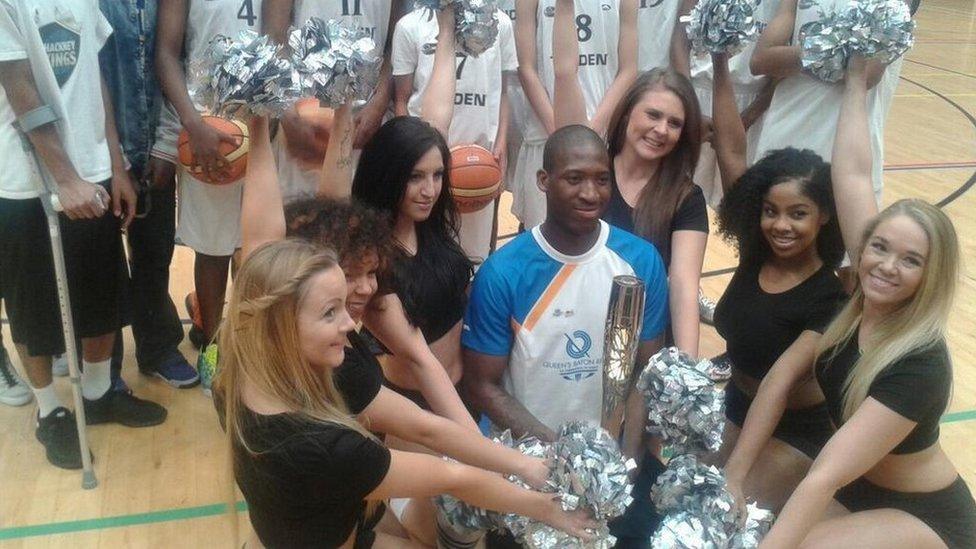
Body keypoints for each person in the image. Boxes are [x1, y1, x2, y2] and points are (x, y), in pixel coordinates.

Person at [216, 237, 598, 548]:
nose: (350, 323)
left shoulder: (241, 369)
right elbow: (454, 477)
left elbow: (425, 428)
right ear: (277, 324)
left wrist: (523, 465)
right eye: (330, 312)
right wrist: (546, 509)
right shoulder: (323, 448)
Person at [743, 56, 976, 549]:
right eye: (880, 247)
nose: (888, 266)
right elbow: (850, 172)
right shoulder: (855, 302)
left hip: (926, 515)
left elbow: (824, 474)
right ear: (863, 247)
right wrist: (854, 80)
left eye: (911, 261)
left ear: (930, 275)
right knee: (766, 526)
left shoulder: (919, 362)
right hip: (860, 487)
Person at [462, 124, 670, 548]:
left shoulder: (639, 260)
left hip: (612, 469)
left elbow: (646, 372)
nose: (590, 193)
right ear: (543, 181)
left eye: (601, 179)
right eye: (574, 178)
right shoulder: (504, 272)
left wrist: (625, 459)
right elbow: (481, 385)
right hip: (529, 466)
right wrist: (563, 455)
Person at [0, 0, 166, 470]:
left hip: (91, 172)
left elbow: (95, 82)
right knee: (33, 307)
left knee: (101, 294)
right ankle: (49, 410)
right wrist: (66, 177)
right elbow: (19, 86)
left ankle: (96, 395)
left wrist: (114, 165)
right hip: (25, 181)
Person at [705, 51, 847, 511]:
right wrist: (720, 59)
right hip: (736, 406)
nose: (780, 225)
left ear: (824, 216)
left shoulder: (829, 296)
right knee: (678, 491)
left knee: (722, 518)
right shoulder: (756, 254)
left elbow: (777, 387)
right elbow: (729, 149)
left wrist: (734, 474)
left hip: (796, 427)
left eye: (798, 214)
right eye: (771, 211)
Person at [553, 0, 707, 358]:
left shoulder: (687, 197)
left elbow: (683, 286)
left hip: (646, 340)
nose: (661, 130)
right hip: (574, 330)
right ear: (627, 114)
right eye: (652, 115)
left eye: (674, 123)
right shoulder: (591, 173)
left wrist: (685, 366)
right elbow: (564, 72)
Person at [155, 0, 260, 393]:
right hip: (206, 121)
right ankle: (212, 344)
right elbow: (166, 53)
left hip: (261, 119)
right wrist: (192, 121)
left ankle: (250, 345)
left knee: (257, 246)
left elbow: (280, 42)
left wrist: (273, 116)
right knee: (214, 248)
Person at [99, 0, 197, 387]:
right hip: (99, 156)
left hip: (155, 147)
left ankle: (157, 347)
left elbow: (176, 66)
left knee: (154, 254)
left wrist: (165, 146)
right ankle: (103, 363)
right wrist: (112, 161)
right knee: (101, 261)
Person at [391, 3, 517, 264]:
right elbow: (401, 100)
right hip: (429, 163)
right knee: (426, 254)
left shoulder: (500, 22)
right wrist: (412, 155)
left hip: (478, 158)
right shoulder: (410, 25)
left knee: (474, 258)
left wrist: (502, 140)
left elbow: (503, 92)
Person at [262, 0, 406, 202]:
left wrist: (380, 102)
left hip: (366, 121)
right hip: (307, 122)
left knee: (363, 223)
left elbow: (396, 40)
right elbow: (274, 36)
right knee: (304, 225)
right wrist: (287, 113)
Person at [750, 0, 893, 202]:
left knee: (844, 225)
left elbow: (868, 74)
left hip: (847, 139)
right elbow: (761, 60)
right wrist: (842, 52)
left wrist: (803, 55)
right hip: (786, 129)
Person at [511, 0, 637, 230]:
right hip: (545, 135)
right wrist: (562, 136)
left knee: (602, 238)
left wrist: (592, 132)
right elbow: (526, 68)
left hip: (604, 135)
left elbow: (628, 69)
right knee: (544, 235)